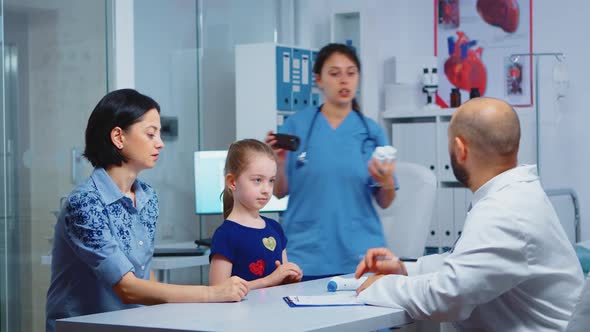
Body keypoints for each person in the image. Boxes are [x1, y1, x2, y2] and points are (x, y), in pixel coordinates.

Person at [355, 97, 584, 331]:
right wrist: (406, 269)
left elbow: (445, 297)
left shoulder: (504, 211)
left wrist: (379, 286)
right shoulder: (516, 195)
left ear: (460, 149)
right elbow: (473, 265)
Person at [46, 89, 248, 332]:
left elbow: (143, 273)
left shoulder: (147, 197)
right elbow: (128, 288)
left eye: (159, 134)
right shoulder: (85, 203)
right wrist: (212, 293)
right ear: (118, 137)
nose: (160, 143)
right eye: (150, 134)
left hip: (135, 324)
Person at [265, 43, 397, 280]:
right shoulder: (297, 126)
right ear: (319, 80)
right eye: (334, 74)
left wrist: (386, 182)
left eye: (351, 73)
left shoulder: (371, 132)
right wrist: (280, 162)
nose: (344, 81)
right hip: (307, 255)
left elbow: (385, 201)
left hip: (362, 256)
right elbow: (279, 192)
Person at [209, 139, 303, 289]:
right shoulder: (225, 235)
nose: (266, 189)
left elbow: (280, 279)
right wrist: (270, 280)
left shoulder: (275, 228)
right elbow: (218, 291)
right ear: (232, 182)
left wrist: (288, 278)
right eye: (258, 180)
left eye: (271, 181)